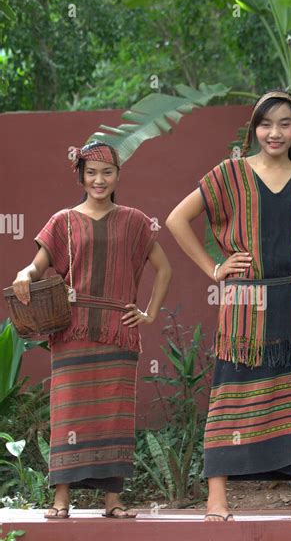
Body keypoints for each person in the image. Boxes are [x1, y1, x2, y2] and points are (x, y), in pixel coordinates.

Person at [166, 90, 291, 522]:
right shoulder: (229, 174)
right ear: (254, 129)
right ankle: (217, 501)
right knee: (230, 394)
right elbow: (177, 219)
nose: (275, 132)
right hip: (244, 301)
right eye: (266, 124)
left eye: (285, 124)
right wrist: (215, 267)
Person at [12, 141, 172, 519]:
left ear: (118, 176)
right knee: (68, 414)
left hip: (118, 331)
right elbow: (37, 267)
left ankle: (113, 500)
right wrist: (24, 274)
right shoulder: (62, 221)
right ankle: (61, 499)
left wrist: (148, 314)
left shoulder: (134, 220)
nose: (99, 180)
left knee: (114, 414)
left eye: (107, 172)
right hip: (72, 332)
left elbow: (164, 269)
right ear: (80, 176)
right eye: (91, 173)